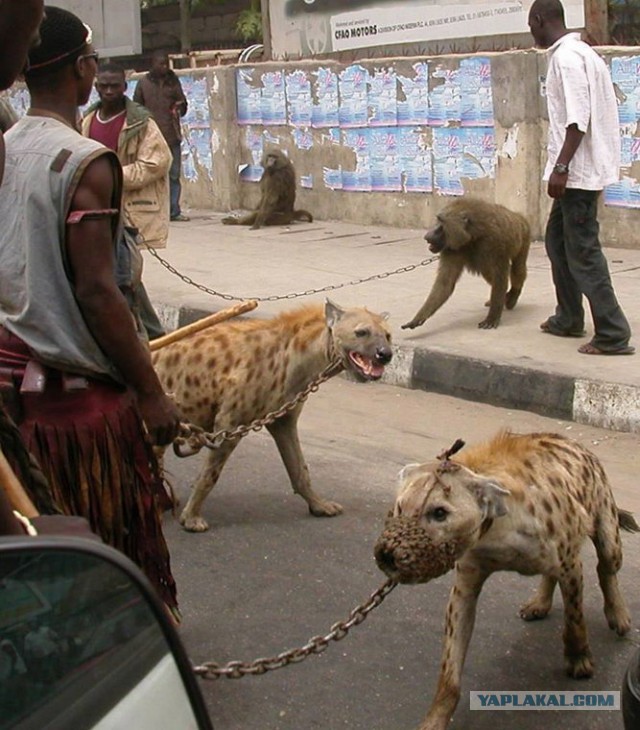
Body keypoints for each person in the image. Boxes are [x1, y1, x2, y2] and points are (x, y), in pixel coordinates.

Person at [0, 7, 182, 617]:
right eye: (92, 64)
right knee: (114, 546)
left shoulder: (8, 146)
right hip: (79, 411)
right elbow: (99, 294)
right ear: (82, 70)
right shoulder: (84, 162)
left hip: (17, 393)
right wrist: (151, 393)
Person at [528, 0, 634, 356]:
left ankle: (613, 334)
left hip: (577, 175)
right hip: (579, 171)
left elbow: (577, 120)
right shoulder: (582, 53)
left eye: (532, 26)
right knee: (556, 242)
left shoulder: (567, 59)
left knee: (584, 253)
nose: (532, 33)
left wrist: (561, 167)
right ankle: (569, 317)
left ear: (540, 20)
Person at [82, 61, 170, 340]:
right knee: (113, 277)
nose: (109, 91)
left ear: (124, 87)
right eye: (104, 86)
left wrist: (112, 176)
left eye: (114, 86)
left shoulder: (141, 123)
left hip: (129, 212)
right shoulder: (87, 120)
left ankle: (154, 338)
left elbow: (157, 162)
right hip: (95, 211)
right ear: (96, 87)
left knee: (126, 275)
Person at [133, 50, 190, 222]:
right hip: (150, 137)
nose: (164, 67)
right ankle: (154, 209)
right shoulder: (143, 83)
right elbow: (136, 108)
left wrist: (179, 107)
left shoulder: (173, 81)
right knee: (152, 175)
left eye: (166, 63)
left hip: (171, 135)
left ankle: (173, 210)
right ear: (153, 64)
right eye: (161, 63)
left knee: (173, 175)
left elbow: (183, 104)